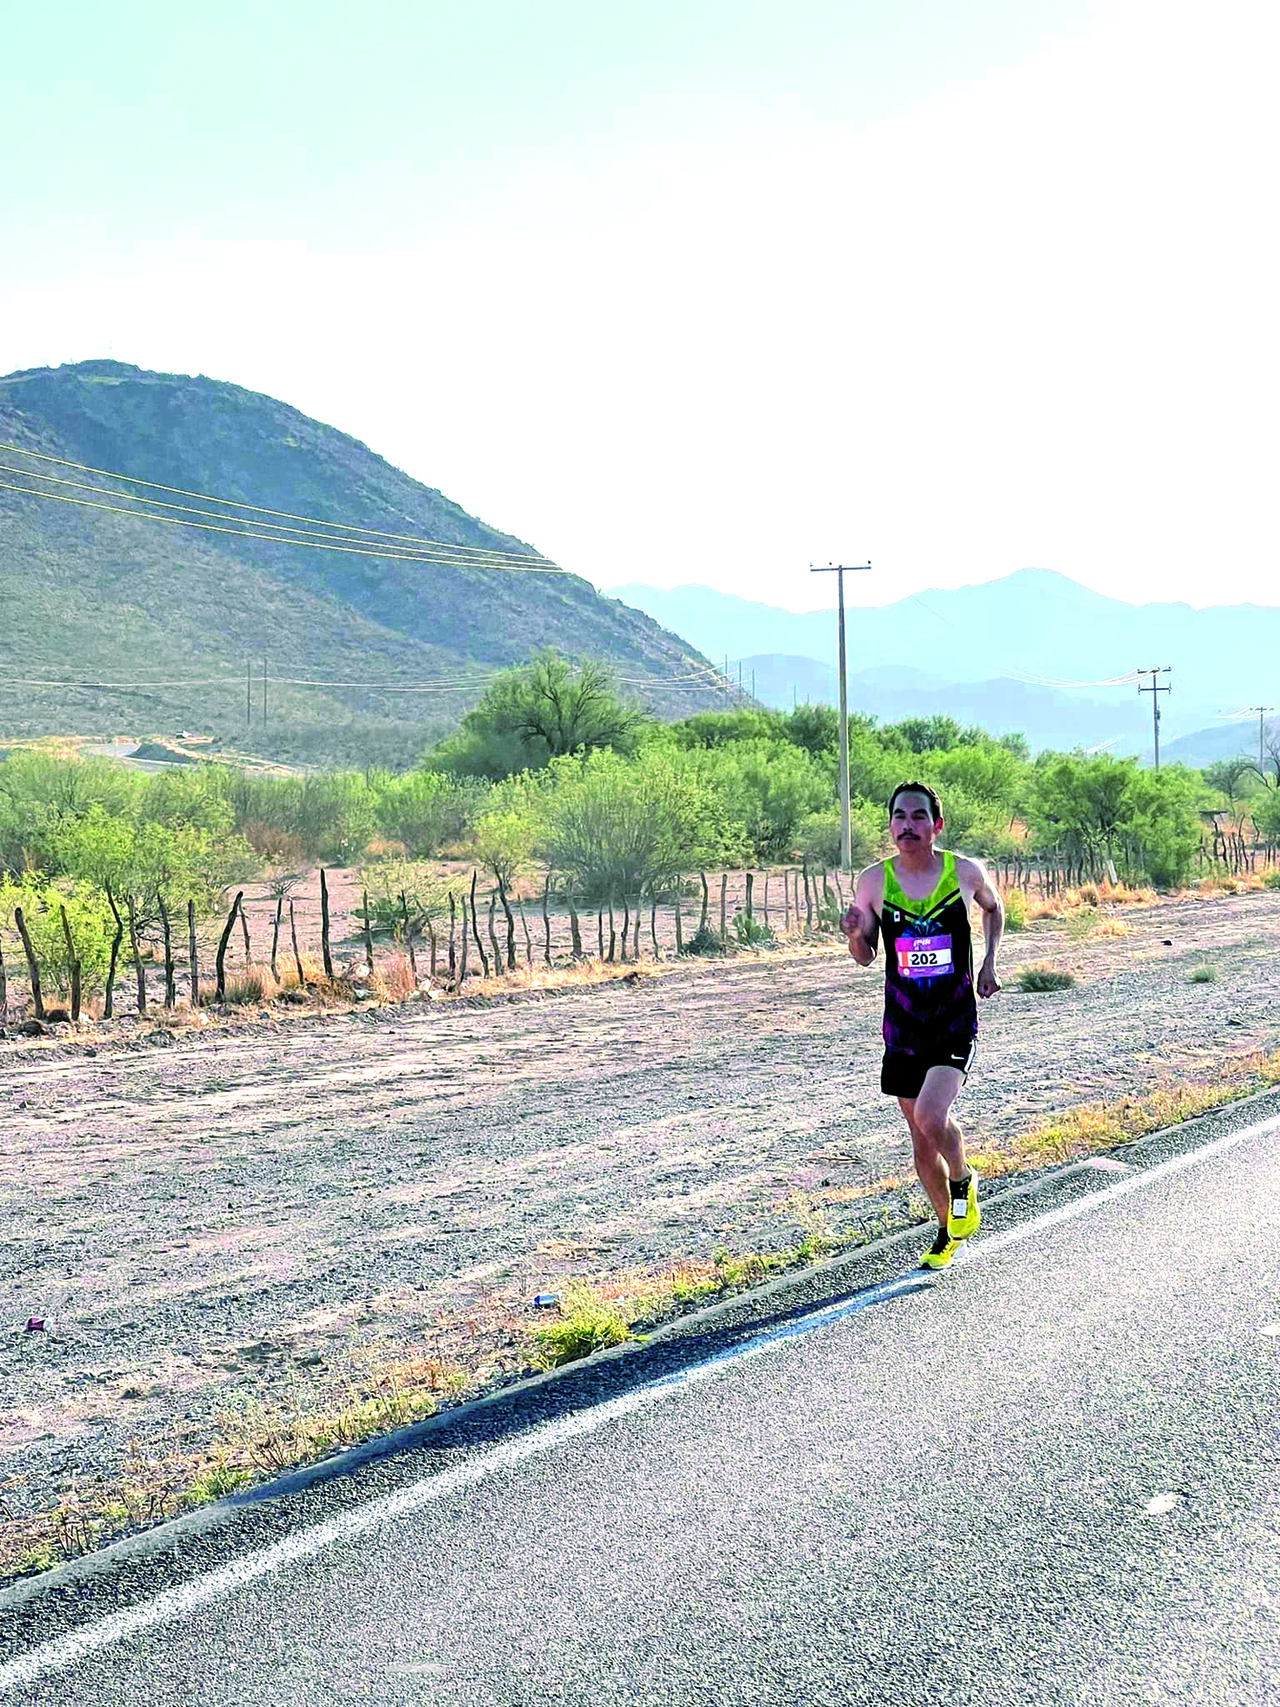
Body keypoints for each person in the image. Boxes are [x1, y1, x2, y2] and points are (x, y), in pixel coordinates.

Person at [840, 780, 1004, 1270]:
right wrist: (853, 935)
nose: (907, 825)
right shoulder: (874, 882)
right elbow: (865, 956)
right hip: (903, 1025)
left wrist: (990, 962)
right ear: (890, 825)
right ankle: (947, 1229)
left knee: (932, 1117)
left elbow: (994, 909)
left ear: (936, 825)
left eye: (918, 816)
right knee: (920, 1137)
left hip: (953, 1018)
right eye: (899, 816)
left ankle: (963, 1178)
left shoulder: (963, 872)